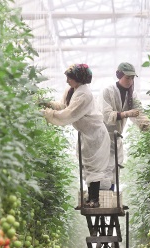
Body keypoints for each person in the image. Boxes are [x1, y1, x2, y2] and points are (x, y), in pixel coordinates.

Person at [41, 64, 114, 208]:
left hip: (96, 136)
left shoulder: (84, 94)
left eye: (69, 78)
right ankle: (91, 198)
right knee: (88, 166)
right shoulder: (72, 90)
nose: (67, 80)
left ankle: (94, 200)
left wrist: (48, 114)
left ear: (78, 78)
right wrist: (48, 104)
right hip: (87, 135)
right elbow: (64, 106)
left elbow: (69, 114)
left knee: (94, 167)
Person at [100, 62, 150, 188]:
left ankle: (110, 197)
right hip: (102, 135)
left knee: (113, 168)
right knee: (102, 168)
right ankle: (99, 197)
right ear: (119, 75)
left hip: (115, 136)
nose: (130, 81)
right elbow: (106, 115)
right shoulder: (107, 91)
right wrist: (125, 114)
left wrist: (145, 124)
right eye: (127, 77)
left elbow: (138, 111)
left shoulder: (131, 95)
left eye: (132, 78)